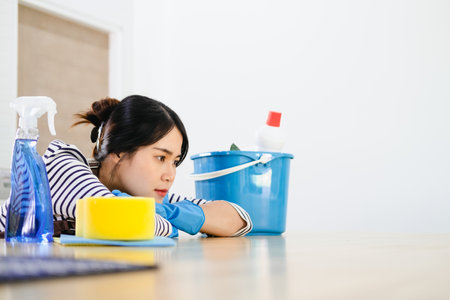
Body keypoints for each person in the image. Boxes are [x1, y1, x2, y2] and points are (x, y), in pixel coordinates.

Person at [0, 95, 252, 238]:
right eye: (160, 158)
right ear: (119, 151)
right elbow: (126, 222)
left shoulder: (140, 193)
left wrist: (176, 213)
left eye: (175, 161)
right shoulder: (63, 165)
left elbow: (238, 219)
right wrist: (179, 218)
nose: (170, 175)